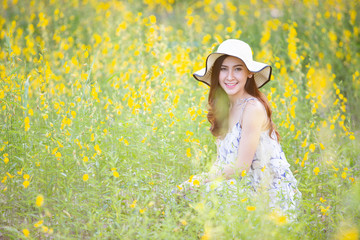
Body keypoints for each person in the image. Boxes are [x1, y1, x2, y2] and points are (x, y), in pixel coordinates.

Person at [176, 39, 301, 214]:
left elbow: (241, 167)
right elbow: (223, 161)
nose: (229, 77)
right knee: (184, 194)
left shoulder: (252, 108)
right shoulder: (226, 106)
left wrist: (200, 180)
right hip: (239, 187)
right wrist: (196, 182)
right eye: (223, 69)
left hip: (265, 195)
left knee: (204, 194)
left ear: (249, 73)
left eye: (238, 69)